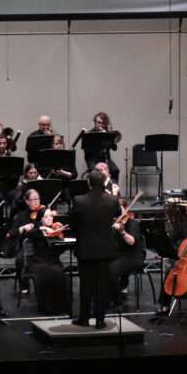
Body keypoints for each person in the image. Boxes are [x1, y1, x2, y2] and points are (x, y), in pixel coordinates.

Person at [70, 169, 121, 328]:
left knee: (86, 285)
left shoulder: (79, 200)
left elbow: (73, 224)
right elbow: (118, 213)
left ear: (89, 183)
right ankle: (100, 320)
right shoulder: (112, 200)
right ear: (104, 182)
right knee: (102, 286)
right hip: (105, 249)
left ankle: (84, 318)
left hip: (85, 249)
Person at [8, 188, 46, 294]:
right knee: (20, 260)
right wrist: (22, 228)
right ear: (27, 201)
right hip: (26, 247)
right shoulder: (22, 216)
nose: (36, 202)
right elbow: (11, 233)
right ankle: (24, 284)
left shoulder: (44, 213)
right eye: (33, 200)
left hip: (43, 245)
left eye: (37, 199)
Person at [109, 196, 145, 307]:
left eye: (121, 209)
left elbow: (132, 242)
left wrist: (122, 232)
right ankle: (108, 295)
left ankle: (116, 298)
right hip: (119, 256)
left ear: (126, 209)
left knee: (111, 270)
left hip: (133, 257)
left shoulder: (133, 223)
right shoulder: (113, 222)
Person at [83, 111, 121, 184]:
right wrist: (99, 144)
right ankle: (97, 192)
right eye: (99, 122)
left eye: (103, 123)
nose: (101, 125)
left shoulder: (107, 132)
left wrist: (111, 137)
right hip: (92, 159)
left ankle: (114, 190)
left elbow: (114, 148)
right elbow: (86, 152)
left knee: (115, 170)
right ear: (95, 123)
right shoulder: (89, 134)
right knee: (97, 173)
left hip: (105, 159)